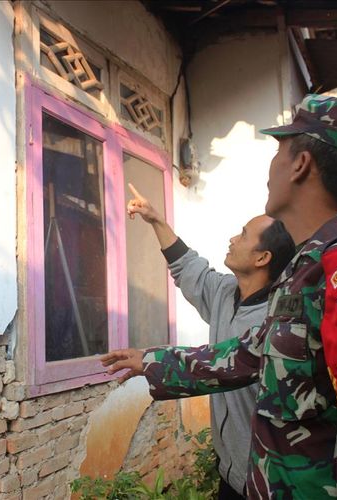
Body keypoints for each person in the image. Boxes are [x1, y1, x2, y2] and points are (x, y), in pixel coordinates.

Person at [102, 94, 337, 498]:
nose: (269, 169)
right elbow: (255, 354)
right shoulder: (307, 267)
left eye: (279, 151)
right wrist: (153, 361)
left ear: (300, 164)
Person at [126, 183, 294, 499]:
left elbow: (217, 367)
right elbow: (190, 270)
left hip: (266, 480)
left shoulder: (274, 320)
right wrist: (156, 220)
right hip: (230, 471)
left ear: (262, 258)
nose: (233, 238)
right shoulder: (225, 292)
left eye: (243, 235)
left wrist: (149, 361)